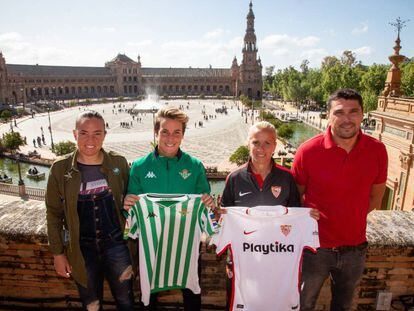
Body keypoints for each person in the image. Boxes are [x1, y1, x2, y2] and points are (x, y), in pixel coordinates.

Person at [292, 88, 388, 310]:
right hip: (314, 247)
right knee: (303, 304)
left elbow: (376, 198)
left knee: (343, 306)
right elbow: (297, 196)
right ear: (328, 115)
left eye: (353, 112)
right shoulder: (307, 151)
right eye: (339, 112)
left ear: (363, 114)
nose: (347, 119)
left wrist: (349, 216)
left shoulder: (377, 150)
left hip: (355, 248)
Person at [123, 106, 215, 311]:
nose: (170, 137)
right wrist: (127, 205)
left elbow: (205, 206)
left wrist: (209, 203)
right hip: (150, 245)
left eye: (177, 132)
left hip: (186, 244)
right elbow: (130, 214)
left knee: (191, 294)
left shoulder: (195, 166)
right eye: (165, 131)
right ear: (156, 132)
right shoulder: (139, 166)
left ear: (183, 135)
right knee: (149, 296)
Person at [220, 121, 316, 310]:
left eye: (267, 143)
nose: (261, 148)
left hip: (277, 261)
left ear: (275, 145)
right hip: (243, 263)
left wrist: (308, 218)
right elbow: (225, 221)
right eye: (256, 142)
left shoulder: (287, 178)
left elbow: (295, 218)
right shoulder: (234, 178)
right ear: (248, 144)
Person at [46, 111, 135, 310]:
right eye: (84, 133)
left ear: (105, 134)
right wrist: (58, 254)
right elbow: (53, 213)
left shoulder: (118, 163)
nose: (90, 140)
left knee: (126, 301)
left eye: (97, 133)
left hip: (116, 245)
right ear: (74, 134)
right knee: (91, 305)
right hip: (81, 249)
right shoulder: (60, 169)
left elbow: (132, 198)